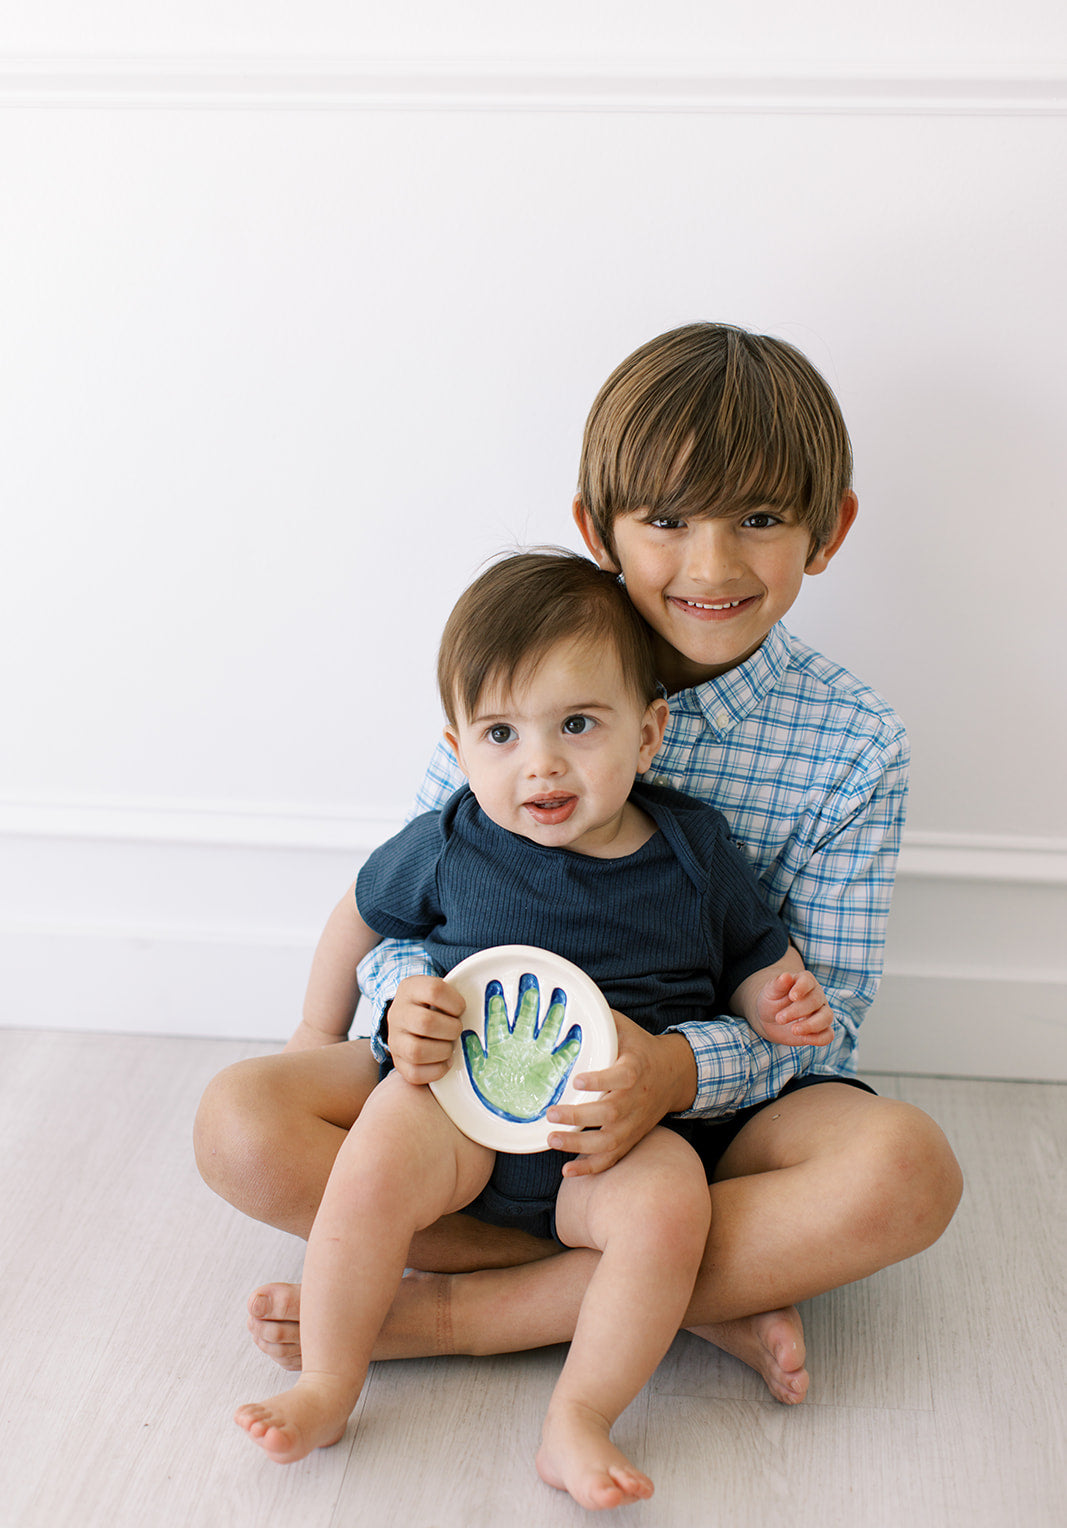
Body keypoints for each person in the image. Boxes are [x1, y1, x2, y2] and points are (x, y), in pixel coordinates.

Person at [195, 321, 962, 1421]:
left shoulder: (851, 741)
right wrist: (402, 1006)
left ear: (826, 531)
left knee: (906, 1171)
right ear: (595, 527)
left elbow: (823, 1017)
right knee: (236, 1120)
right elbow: (409, 907)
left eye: (757, 518)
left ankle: (459, 1312)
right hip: (472, 1094)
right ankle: (677, 1297)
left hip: (687, 1121)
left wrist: (676, 1070)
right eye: (664, 521)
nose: (710, 564)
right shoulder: (511, 673)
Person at [234, 551, 836, 1508]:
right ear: (459, 745)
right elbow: (359, 913)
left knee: (669, 1208)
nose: (540, 762)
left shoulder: (694, 851)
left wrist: (778, 1002)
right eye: (501, 733)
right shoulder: (451, 837)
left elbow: (754, 958)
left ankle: (580, 1415)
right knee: (371, 1169)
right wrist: (320, 1027)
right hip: (456, 1113)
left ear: (648, 734)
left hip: (608, 1138)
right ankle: (327, 1384)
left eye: (579, 726)